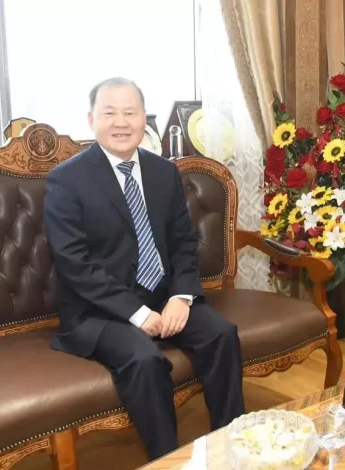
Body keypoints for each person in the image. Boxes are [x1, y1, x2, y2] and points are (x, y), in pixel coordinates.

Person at [44, 77, 244, 460]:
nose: (121, 122)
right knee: (145, 359)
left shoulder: (163, 172)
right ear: (91, 120)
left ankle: (231, 447)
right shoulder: (66, 180)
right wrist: (137, 314)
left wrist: (181, 297)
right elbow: (74, 264)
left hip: (163, 296)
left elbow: (183, 242)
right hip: (98, 312)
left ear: (143, 119)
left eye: (130, 112)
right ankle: (167, 461)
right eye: (110, 113)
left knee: (222, 334)